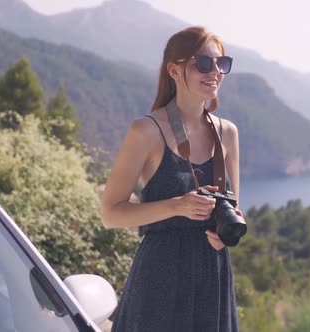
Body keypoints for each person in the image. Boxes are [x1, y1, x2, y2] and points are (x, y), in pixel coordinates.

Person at [101, 26, 242, 332]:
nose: (215, 71)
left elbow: (232, 208)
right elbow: (110, 214)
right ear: (174, 70)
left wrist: (226, 230)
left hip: (213, 279)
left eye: (222, 63)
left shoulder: (228, 133)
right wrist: (177, 206)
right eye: (203, 63)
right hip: (159, 281)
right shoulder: (146, 131)